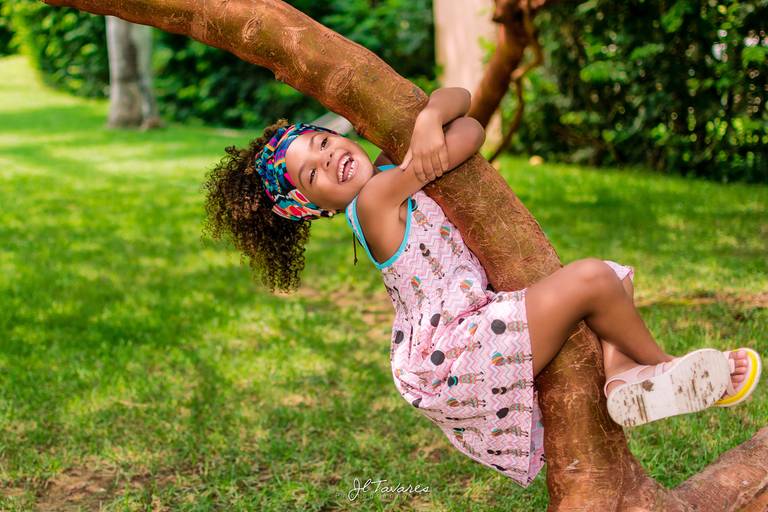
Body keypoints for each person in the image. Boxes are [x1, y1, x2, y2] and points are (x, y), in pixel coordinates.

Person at [201, 87, 762, 488]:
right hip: (457, 350)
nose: (332, 160)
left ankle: (626, 381)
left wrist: (426, 120)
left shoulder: (385, 173)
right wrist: (430, 131)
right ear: (311, 207)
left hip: (472, 326)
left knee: (608, 282)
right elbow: (465, 140)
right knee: (593, 278)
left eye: (324, 143)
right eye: (314, 173)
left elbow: (463, 109)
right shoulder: (374, 201)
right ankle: (667, 367)